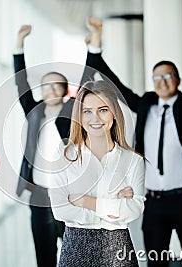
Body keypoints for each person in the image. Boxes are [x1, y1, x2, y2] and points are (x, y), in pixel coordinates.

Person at [84, 18, 182, 267]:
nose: (162, 81)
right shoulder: (145, 105)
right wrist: (96, 45)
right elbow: (115, 84)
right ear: (152, 82)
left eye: (168, 76)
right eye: (157, 77)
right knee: (155, 262)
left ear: (177, 80)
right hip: (153, 203)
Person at [13, 24, 101, 267]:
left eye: (56, 85)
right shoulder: (34, 112)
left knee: (76, 254)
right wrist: (19, 43)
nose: (50, 89)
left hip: (68, 193)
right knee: (44, 254)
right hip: (40, 193)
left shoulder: (70, 110)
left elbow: (87, 79)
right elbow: (21, 83)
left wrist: (95, 43)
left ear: (64, 91)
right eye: (46, 85)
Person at [48, 80, 145, 267]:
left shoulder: (133, 160)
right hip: (75, 248)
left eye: (103, 110)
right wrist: (113, 205)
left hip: (117, 249)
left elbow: (134, 210)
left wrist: (86, 202)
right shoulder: (64, 154)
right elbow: (60, 210)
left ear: (114, 113)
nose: (95, 118)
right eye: (87, 111)